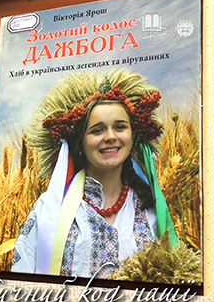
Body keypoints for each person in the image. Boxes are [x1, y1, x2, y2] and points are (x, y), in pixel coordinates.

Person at [11, 69, 177, 278]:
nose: (110, 136)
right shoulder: (48, 209)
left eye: (120, 127)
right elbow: (22, 277)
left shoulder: (151, 209)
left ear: (133, 136)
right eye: (97, 130)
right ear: (80, 142)